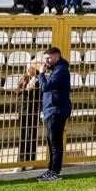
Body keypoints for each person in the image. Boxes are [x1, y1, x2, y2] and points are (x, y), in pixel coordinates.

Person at [29, 47, 71, 182]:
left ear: (57, 57)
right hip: (51, 111)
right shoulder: (57, 69)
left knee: (55, 143)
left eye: (49, 58)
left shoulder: (61, 70)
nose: (46, 61)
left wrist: (41, 74)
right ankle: (51, 170)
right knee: (51, 142)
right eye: (45, 58)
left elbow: (46, 87)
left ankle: (55, 172)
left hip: (56, 111)